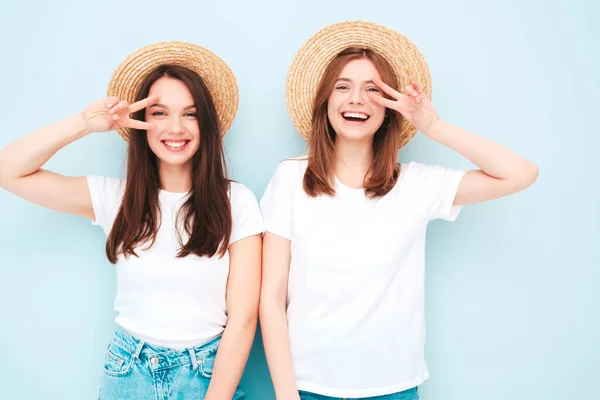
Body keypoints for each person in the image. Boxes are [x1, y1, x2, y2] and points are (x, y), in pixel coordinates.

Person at [259, 21, 538, 400]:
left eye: (372, 90)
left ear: (389, 109)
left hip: (393, 388)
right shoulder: (290, 178)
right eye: (343, 87)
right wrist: (287, 396)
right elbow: (271, 298)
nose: (355, 99)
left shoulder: (417, 185)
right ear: (325, 102)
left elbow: (521, 174)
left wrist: (433, 126)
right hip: (307, 388)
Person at [0, 41, 263, 400]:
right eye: (159, 113)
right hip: (128, 374)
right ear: (142, 122)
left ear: (207, 124)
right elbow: (8, 170)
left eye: (190, 114)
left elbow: (244, 318)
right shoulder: (116, 198)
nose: (175, 127)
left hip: (207, 375)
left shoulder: (238, 202)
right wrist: (83, 123)